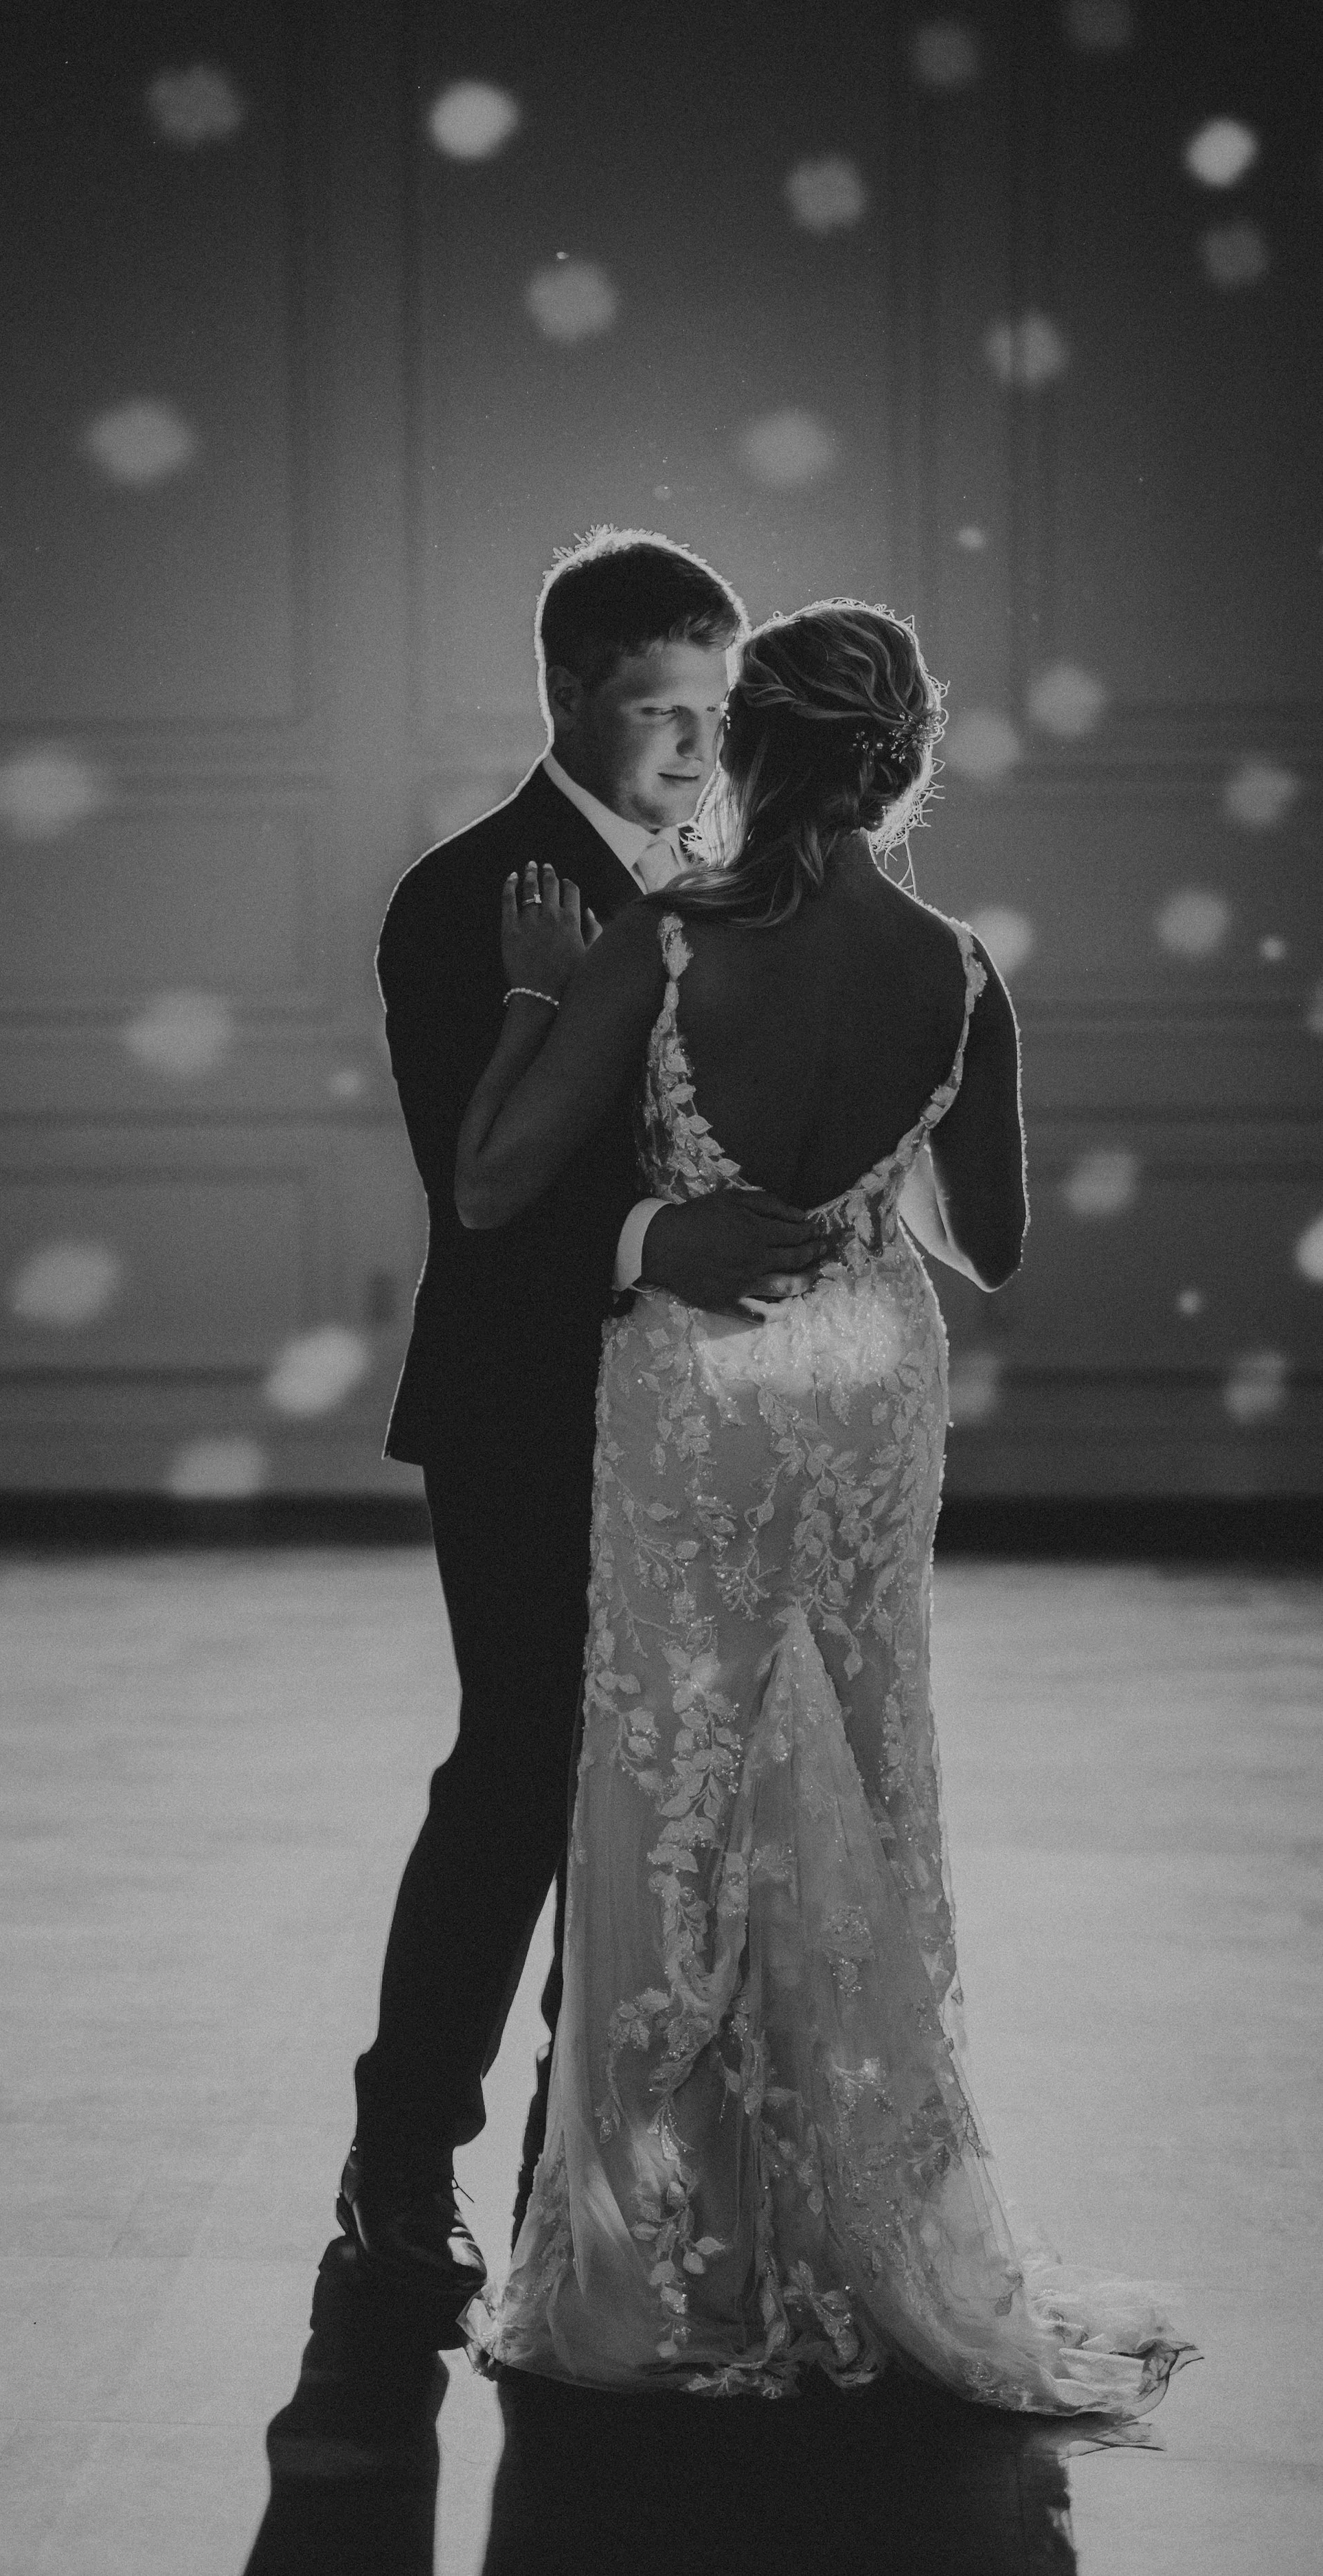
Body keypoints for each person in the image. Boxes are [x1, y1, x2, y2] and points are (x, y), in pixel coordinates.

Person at [453, 600, 1195, 2415]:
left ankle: (666, 2245)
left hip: (704, 1373)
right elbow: (992, 1244)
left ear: (745, 743)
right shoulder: (954, 968)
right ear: (897, 761)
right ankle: (861, 2216)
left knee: (682, 1779)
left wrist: (536, 993)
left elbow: (488, 1185)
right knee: (853, 1767)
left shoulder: (660, 941)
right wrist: (871, 1184)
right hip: (862, 1368)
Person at [341, 532, 836, 2316]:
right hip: (524, 1403)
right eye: (659, 711)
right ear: (560, 691)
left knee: (664, 1800)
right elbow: (480, 1187)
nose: (700, 748)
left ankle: (589, 2157)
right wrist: (658, 1237)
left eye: (716, 709)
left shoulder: (734, 882)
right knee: (523, 1773)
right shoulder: (462, 896)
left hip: (700, 1407)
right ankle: (404, 2156)